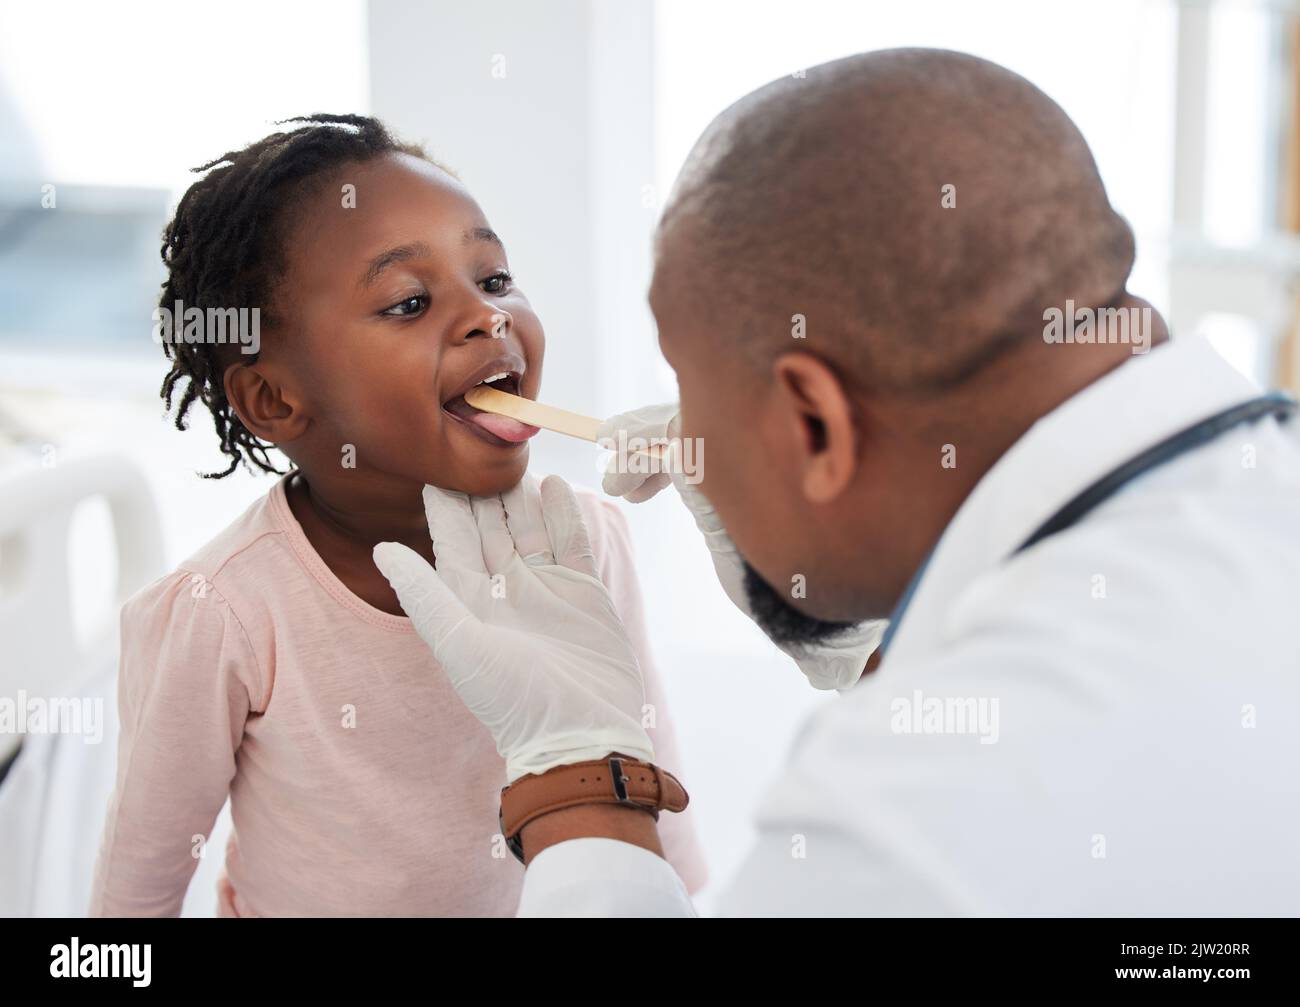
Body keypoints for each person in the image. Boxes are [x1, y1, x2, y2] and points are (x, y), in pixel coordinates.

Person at [374, 49, 1300, 915]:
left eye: (694, 391)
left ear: (813, 422)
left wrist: (579, 767)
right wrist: (880, 651)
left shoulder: (926, 810)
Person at [89, 115, 706, 917]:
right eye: (410, 301)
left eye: (492, 280)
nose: (489, 318)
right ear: (275, 398)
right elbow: (135, 889)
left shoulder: (583, 540)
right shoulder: (226, 612)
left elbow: (642, 779)